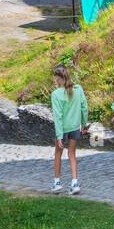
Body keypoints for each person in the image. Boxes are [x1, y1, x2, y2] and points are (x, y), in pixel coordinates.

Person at [50, 64, 88, 195]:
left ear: (58, 78)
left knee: (58, 154)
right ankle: (74, 183)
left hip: (63, 129)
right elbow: (84, 107)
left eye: (55, 77)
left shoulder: (56, 94)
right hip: (75, 128)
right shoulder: (78, 89)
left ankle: (57, 183)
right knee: (72, 154)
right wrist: (84, 124)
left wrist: (59, 135)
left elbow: (58, 115)